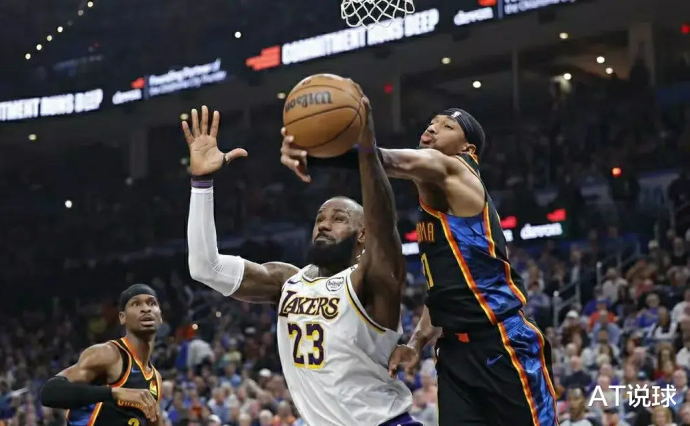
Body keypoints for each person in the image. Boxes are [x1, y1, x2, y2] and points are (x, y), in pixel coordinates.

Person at [281, 108, 557, 424]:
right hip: (454, 352)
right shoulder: (435, 196)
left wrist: (318, 151)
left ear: (467, 148)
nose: (433, 128)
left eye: (447, 126)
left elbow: (386, 160)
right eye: (431, 123)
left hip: (502, 342)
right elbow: (443, 289)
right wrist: (417, 343)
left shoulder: (455, 168)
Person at [183, 99, 418, 425]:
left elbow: (383, 224)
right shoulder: (286, 281)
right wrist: (201, 183)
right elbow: (205, 267)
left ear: (363, 234)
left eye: (339, 219)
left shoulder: (372, 280)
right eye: (320, 218)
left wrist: (367, 149)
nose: (324, 225)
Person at [39, 284, 163, 425]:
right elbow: (49, 392)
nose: (146, 308)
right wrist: (113, 393)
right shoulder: (109, 354)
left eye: (152, 303)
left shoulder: (156, 379)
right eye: (136, 304)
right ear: (122, 317)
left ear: (160, 316)